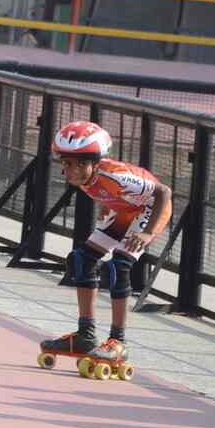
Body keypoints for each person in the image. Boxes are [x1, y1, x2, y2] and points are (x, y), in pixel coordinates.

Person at [39, 121, 172, 370]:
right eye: (66, 163)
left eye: (78, 164)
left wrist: (147, 232)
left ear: (94, 162)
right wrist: (107, 203)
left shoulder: (115, 176)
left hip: (149, 211)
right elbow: (108, 191)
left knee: (118, 266)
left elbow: (163, 192)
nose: (71, 170)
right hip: (125, 210)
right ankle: (85, 335)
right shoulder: (84, 175)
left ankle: (118, 341)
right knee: (82, 259)